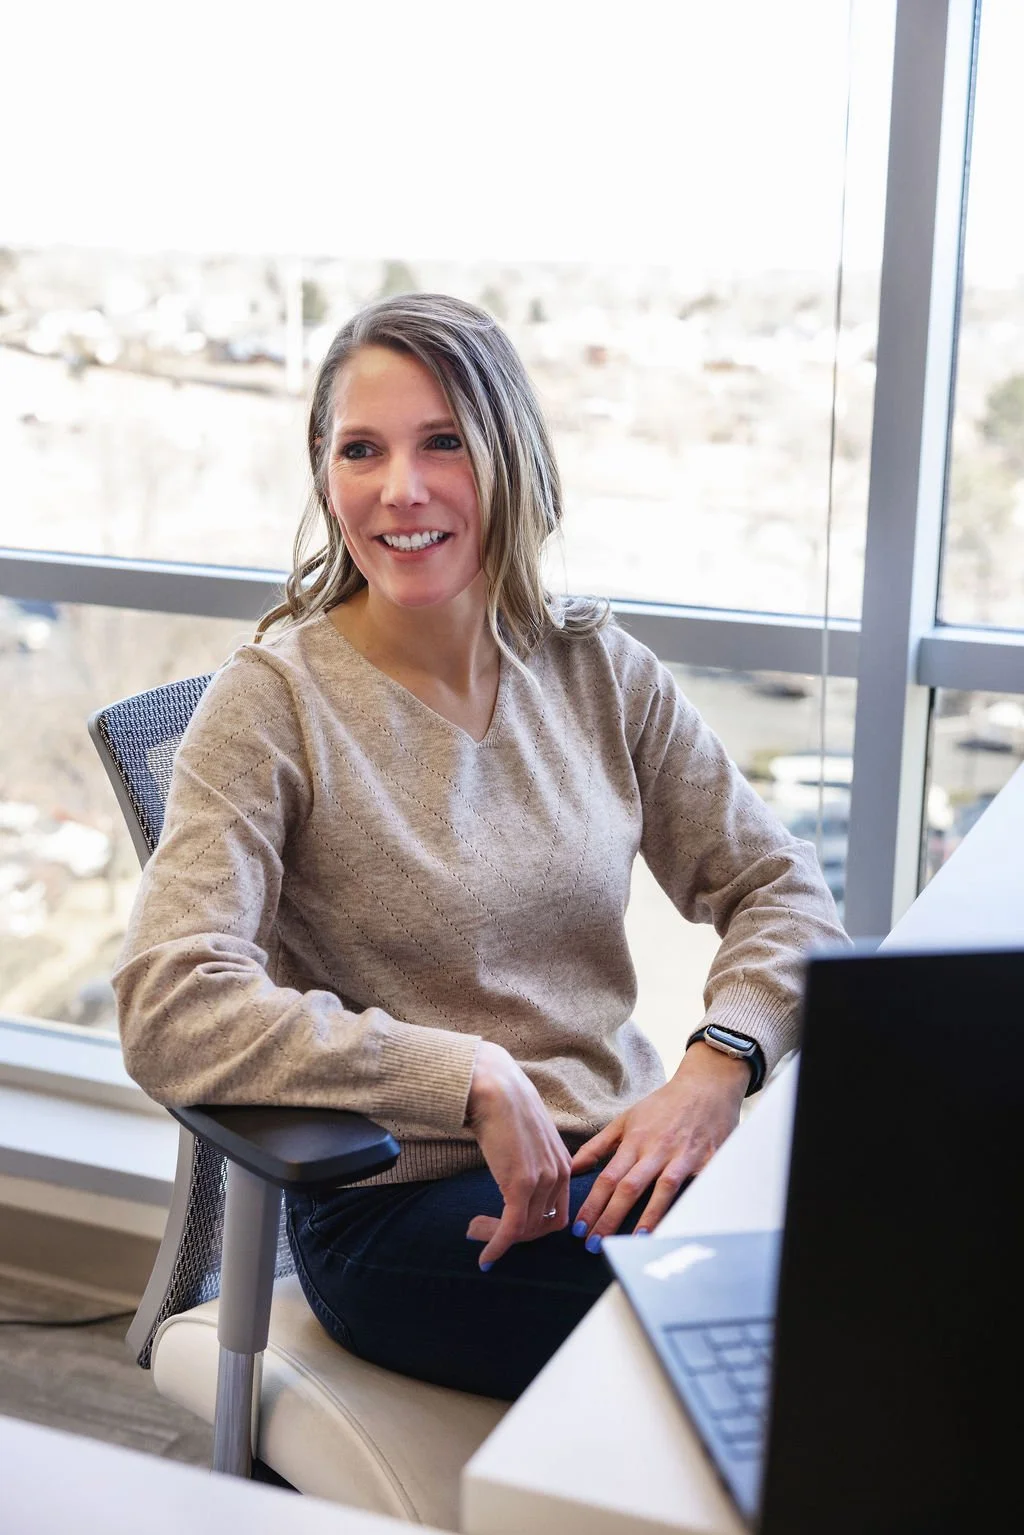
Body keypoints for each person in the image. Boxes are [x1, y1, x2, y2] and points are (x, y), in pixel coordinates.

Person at [113, 292, 848, 1401]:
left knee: (907, 1238)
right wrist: (465, 1074)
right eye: (361, 449)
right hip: (404, 1205)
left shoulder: (595, 667)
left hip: (614, 1152)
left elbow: (781, 888)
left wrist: (715, 1064)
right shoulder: (270, 702)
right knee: (810, 1330)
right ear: (325, 476)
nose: (399, 489)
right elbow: (171, 1000)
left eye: (442, 441)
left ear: (508, 456)